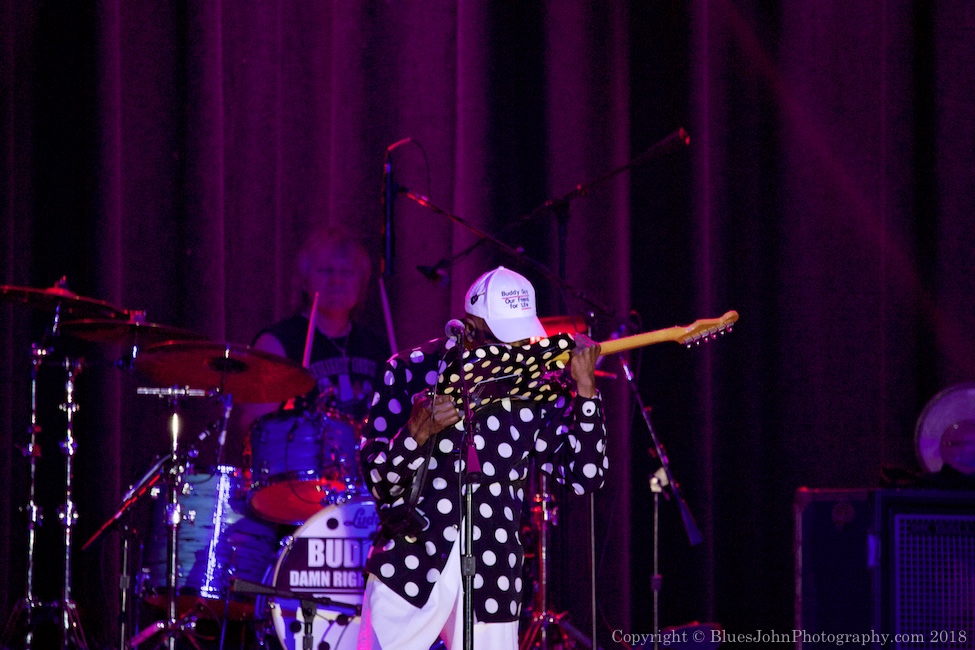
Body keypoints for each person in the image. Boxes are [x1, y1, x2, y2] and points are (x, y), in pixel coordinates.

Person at [357, 266, 608, 650]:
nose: (516, 349)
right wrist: (414, 434)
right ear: (469, 329)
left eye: (522, 338)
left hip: (493, 570)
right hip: (412, 558)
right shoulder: (410, 370)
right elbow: (379, 481)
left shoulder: (534, 384)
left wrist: (586, 392)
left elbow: (585, 476)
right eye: (503, 339)